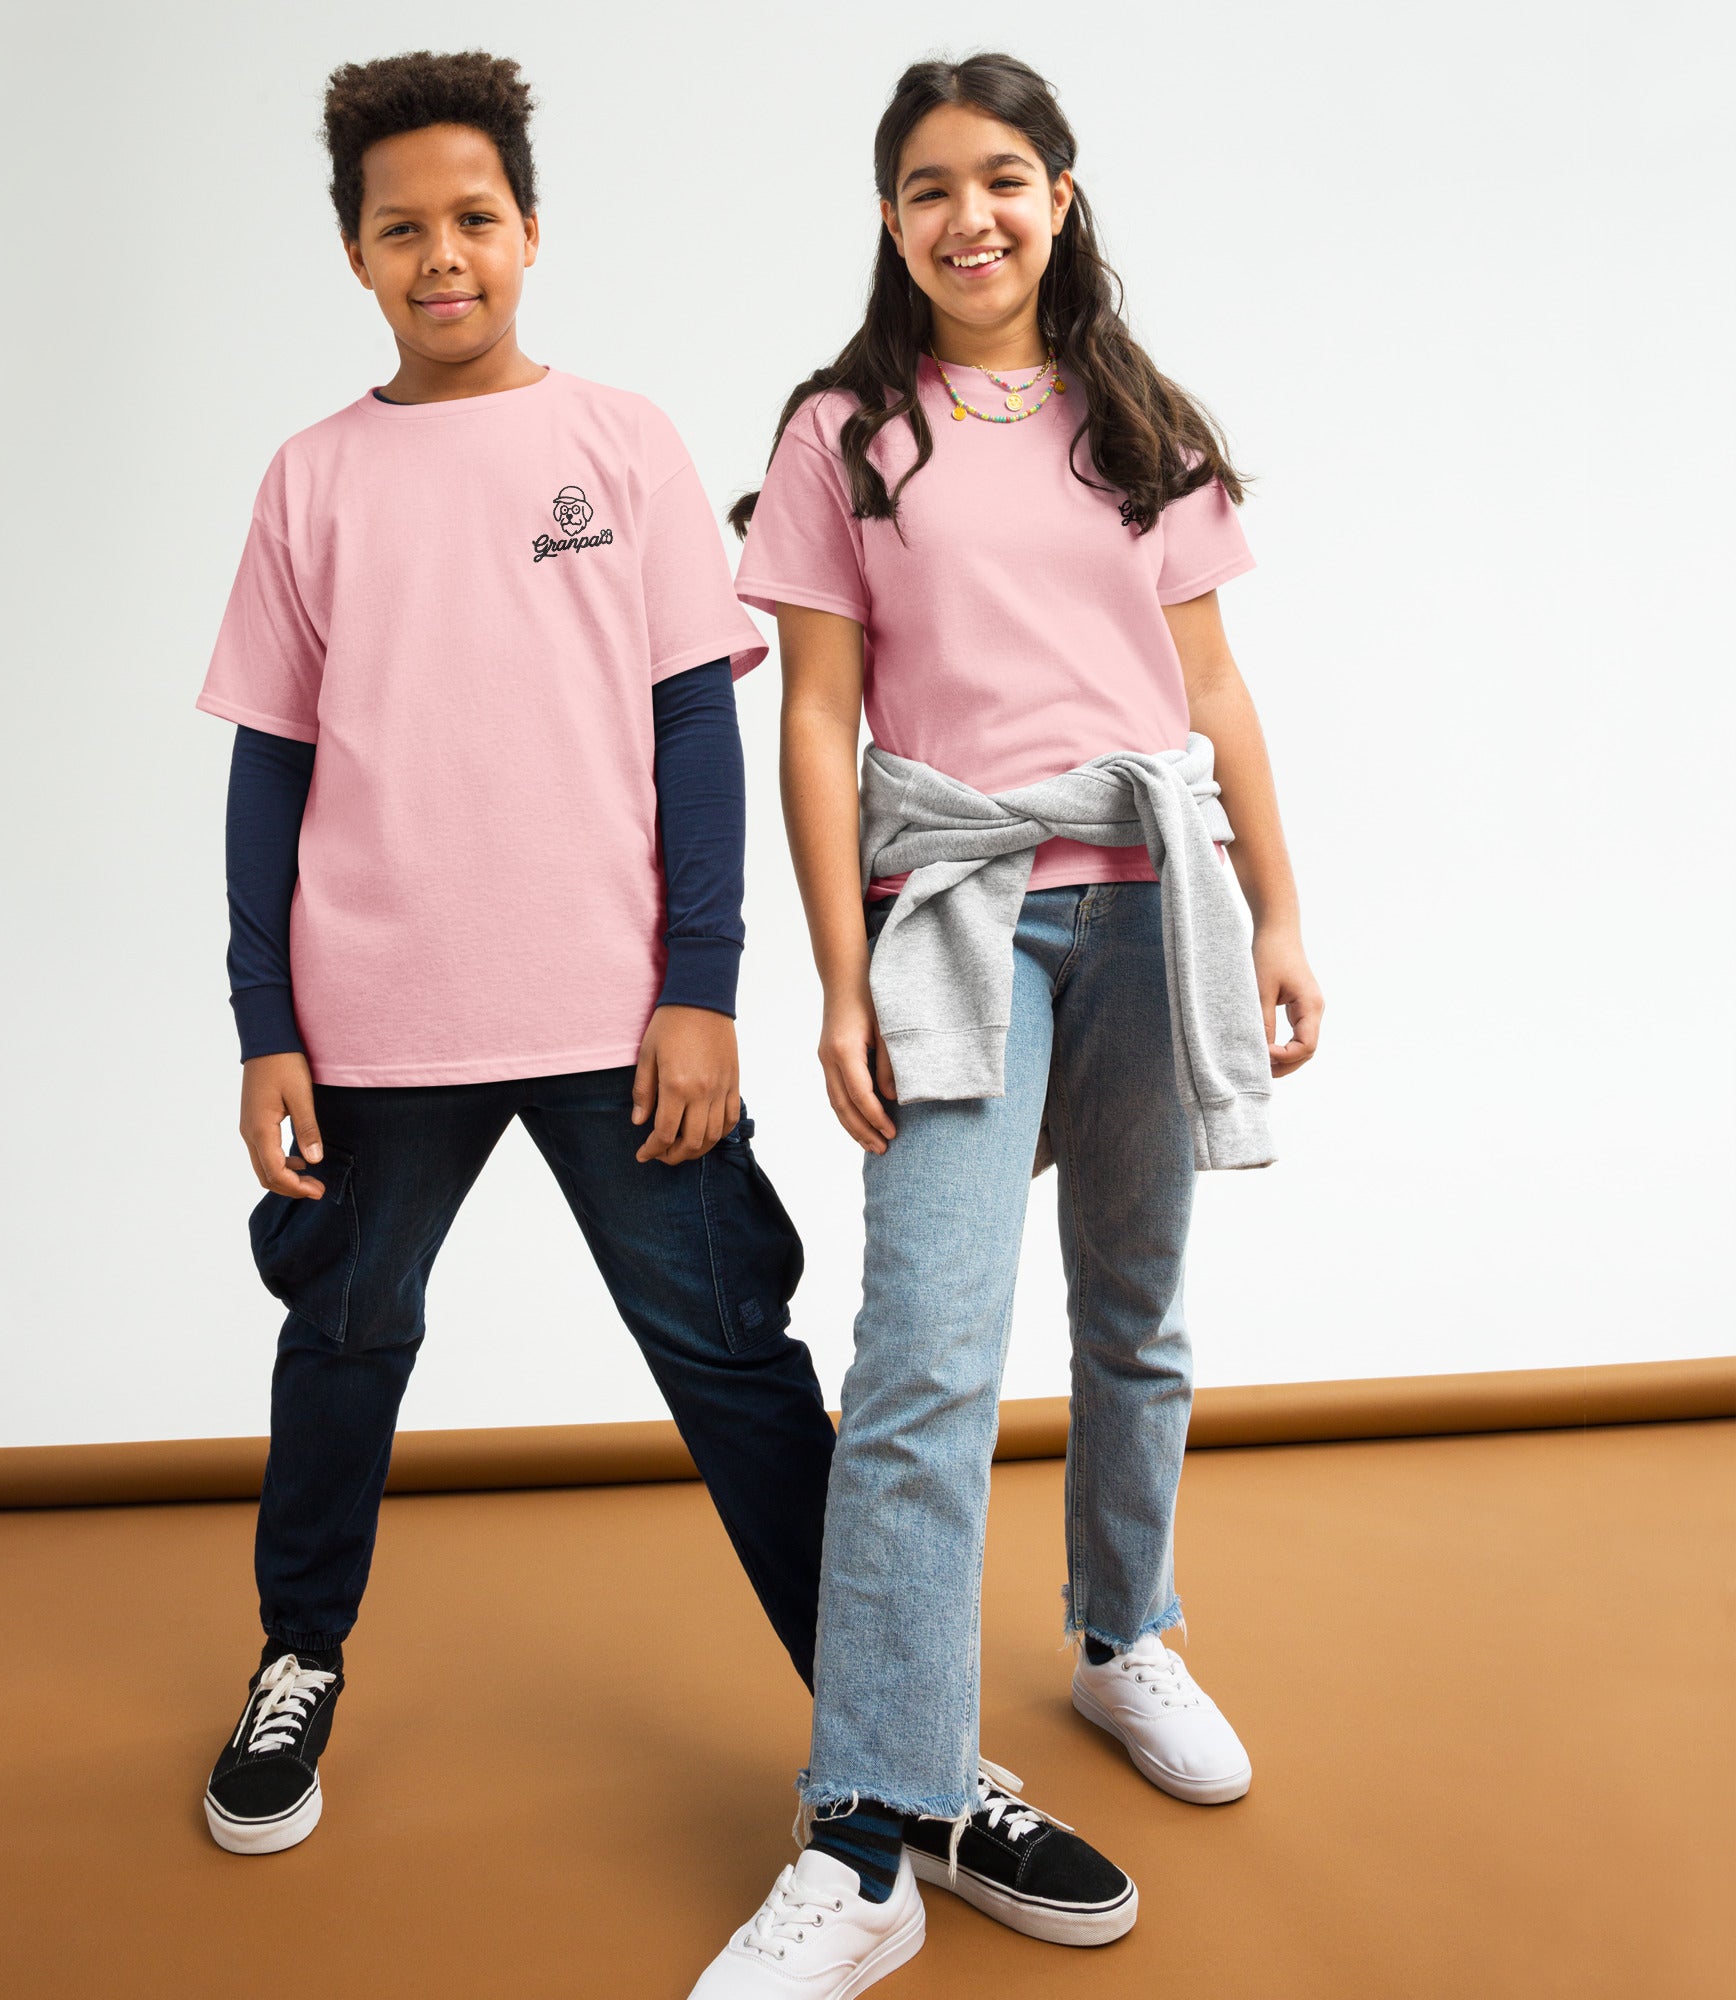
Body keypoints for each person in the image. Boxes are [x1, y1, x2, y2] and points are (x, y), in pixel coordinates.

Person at [690, 52, 1324, 1995]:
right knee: (924, 1359)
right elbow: (815, 719)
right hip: (960, 910)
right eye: (926, 188)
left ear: (1059, 194)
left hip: (1155, 906)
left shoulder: (1140, 422)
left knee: (1135, 1306)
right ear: (889, 222)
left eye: (1001, 178)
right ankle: (868, 1831)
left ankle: (1125, 1634)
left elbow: (1212, 691)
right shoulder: (843, 435)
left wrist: (1282, 908)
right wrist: (835, 975)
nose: (967, 216)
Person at [190, 49, 839, 1858]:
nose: (443, 255)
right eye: (402, 229)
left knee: (735, 1355)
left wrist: (700, 984)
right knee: (344, 1335)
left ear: (532, 231)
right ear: (356, 254)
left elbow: (696, 727)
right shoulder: (312, 478)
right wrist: (264, 1022)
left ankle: (891, 1720)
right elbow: (270, 765)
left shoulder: (619, 441)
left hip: (617, 1017)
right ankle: (298, 1654)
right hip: (376, 1019)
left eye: (474, 217)